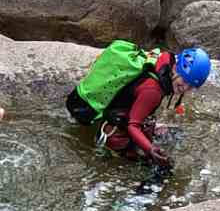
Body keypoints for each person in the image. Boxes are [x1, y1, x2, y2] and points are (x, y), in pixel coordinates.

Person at [65, 43, 210, 167]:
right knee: (164, 168)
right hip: (114, 135)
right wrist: (151, 149)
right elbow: (132, 126)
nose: (185, 88)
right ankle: (139, 198)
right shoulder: (153, 90)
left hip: (118, 117)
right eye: (184, 82)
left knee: (175, 135)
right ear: (176, 69)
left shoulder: (163, 65)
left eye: (191, 87)